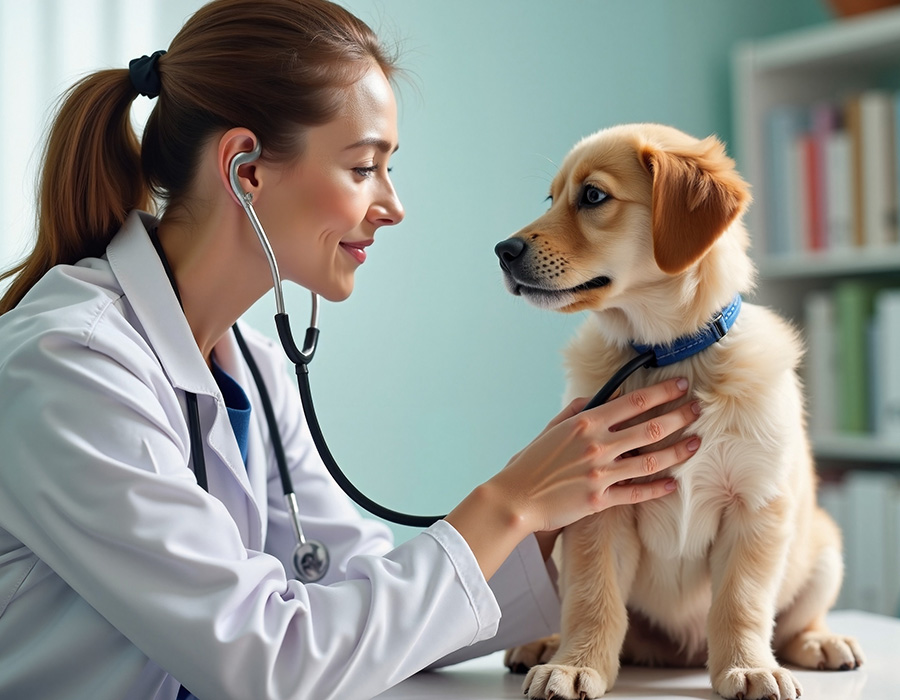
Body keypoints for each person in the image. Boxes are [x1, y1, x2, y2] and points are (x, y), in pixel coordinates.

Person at [0, 1, 701, 698]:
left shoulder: (254, 371)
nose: (393, 205)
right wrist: (509, 502)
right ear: (246, 170)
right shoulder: (70, 364)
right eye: (365, 168)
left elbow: (362, 609)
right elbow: (272, 663)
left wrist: (551, 511)